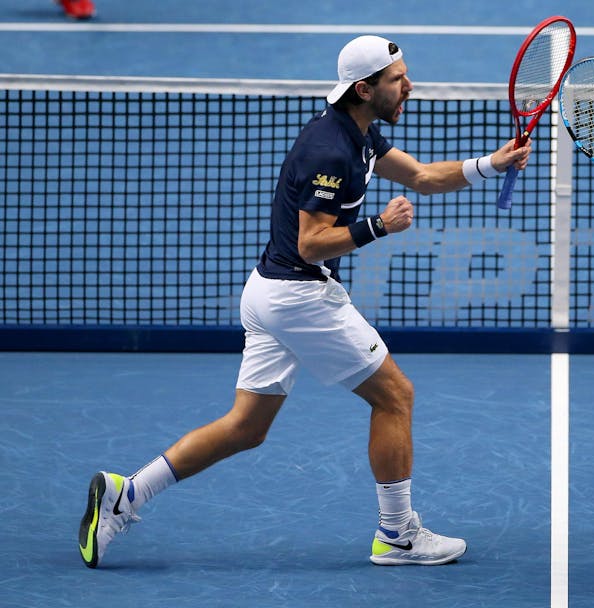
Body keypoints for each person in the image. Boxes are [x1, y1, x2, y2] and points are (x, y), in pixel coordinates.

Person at [78, 35, 531, 569]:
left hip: (269, 291)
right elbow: (311, 243)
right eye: (397, 79)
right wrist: (378, 226)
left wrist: (490, 164)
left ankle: (125, 495)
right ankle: (398, 536)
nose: (409, 86)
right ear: (364, 88)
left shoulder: (356, 133)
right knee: (395, 397)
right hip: (299, 294)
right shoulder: (331, 151)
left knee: (246, 427)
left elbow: (421, 176)